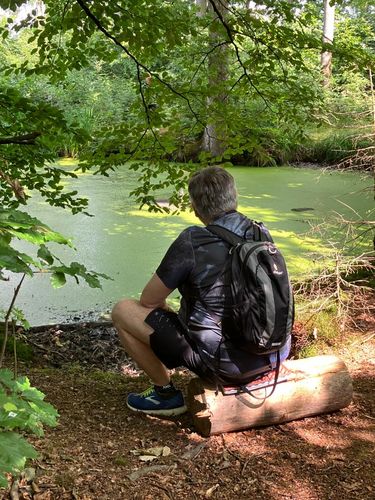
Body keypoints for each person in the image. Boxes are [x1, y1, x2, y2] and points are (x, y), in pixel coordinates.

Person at [112, 166, 291, 416]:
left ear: (196, 208)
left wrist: (168, 308)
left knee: (122, 310)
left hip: (223, 366)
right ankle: (263, 367)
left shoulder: (193, 240)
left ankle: (164, 394)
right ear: (234, 196)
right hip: (272, 355)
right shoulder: (260, 232)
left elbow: (149, 300)